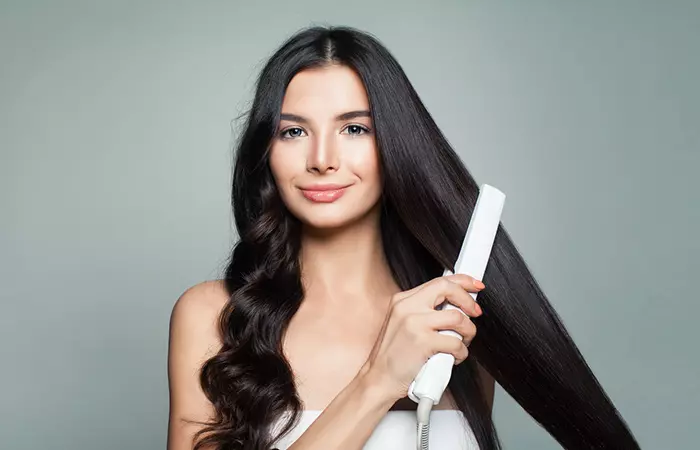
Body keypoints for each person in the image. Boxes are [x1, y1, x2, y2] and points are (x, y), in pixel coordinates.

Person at [167, 25, 640, 450]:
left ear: (395, 143)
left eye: (354, 128)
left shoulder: (453, 322)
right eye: (293, 131)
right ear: (266, 151)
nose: (323, 158)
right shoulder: (212, 317)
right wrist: (378, 381)